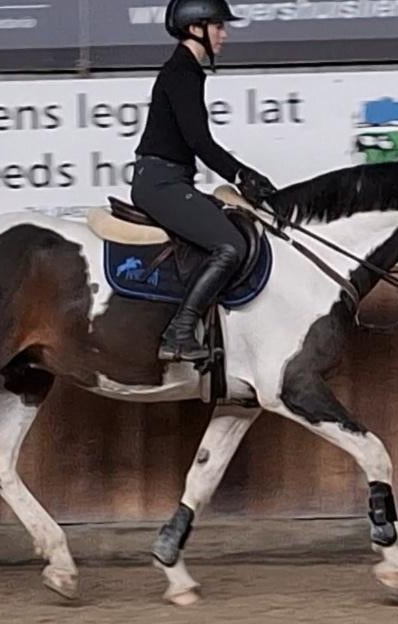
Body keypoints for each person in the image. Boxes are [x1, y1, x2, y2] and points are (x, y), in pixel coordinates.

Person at [131, 0, 278, 363]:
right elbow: (199, 142)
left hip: (172, 180)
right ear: (196, 28)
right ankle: (179, 332)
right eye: (218, 26)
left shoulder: (187, 72)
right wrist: (242, 176)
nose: (223, 34)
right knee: (230, 245)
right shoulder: (181, 73)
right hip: (160, 184)